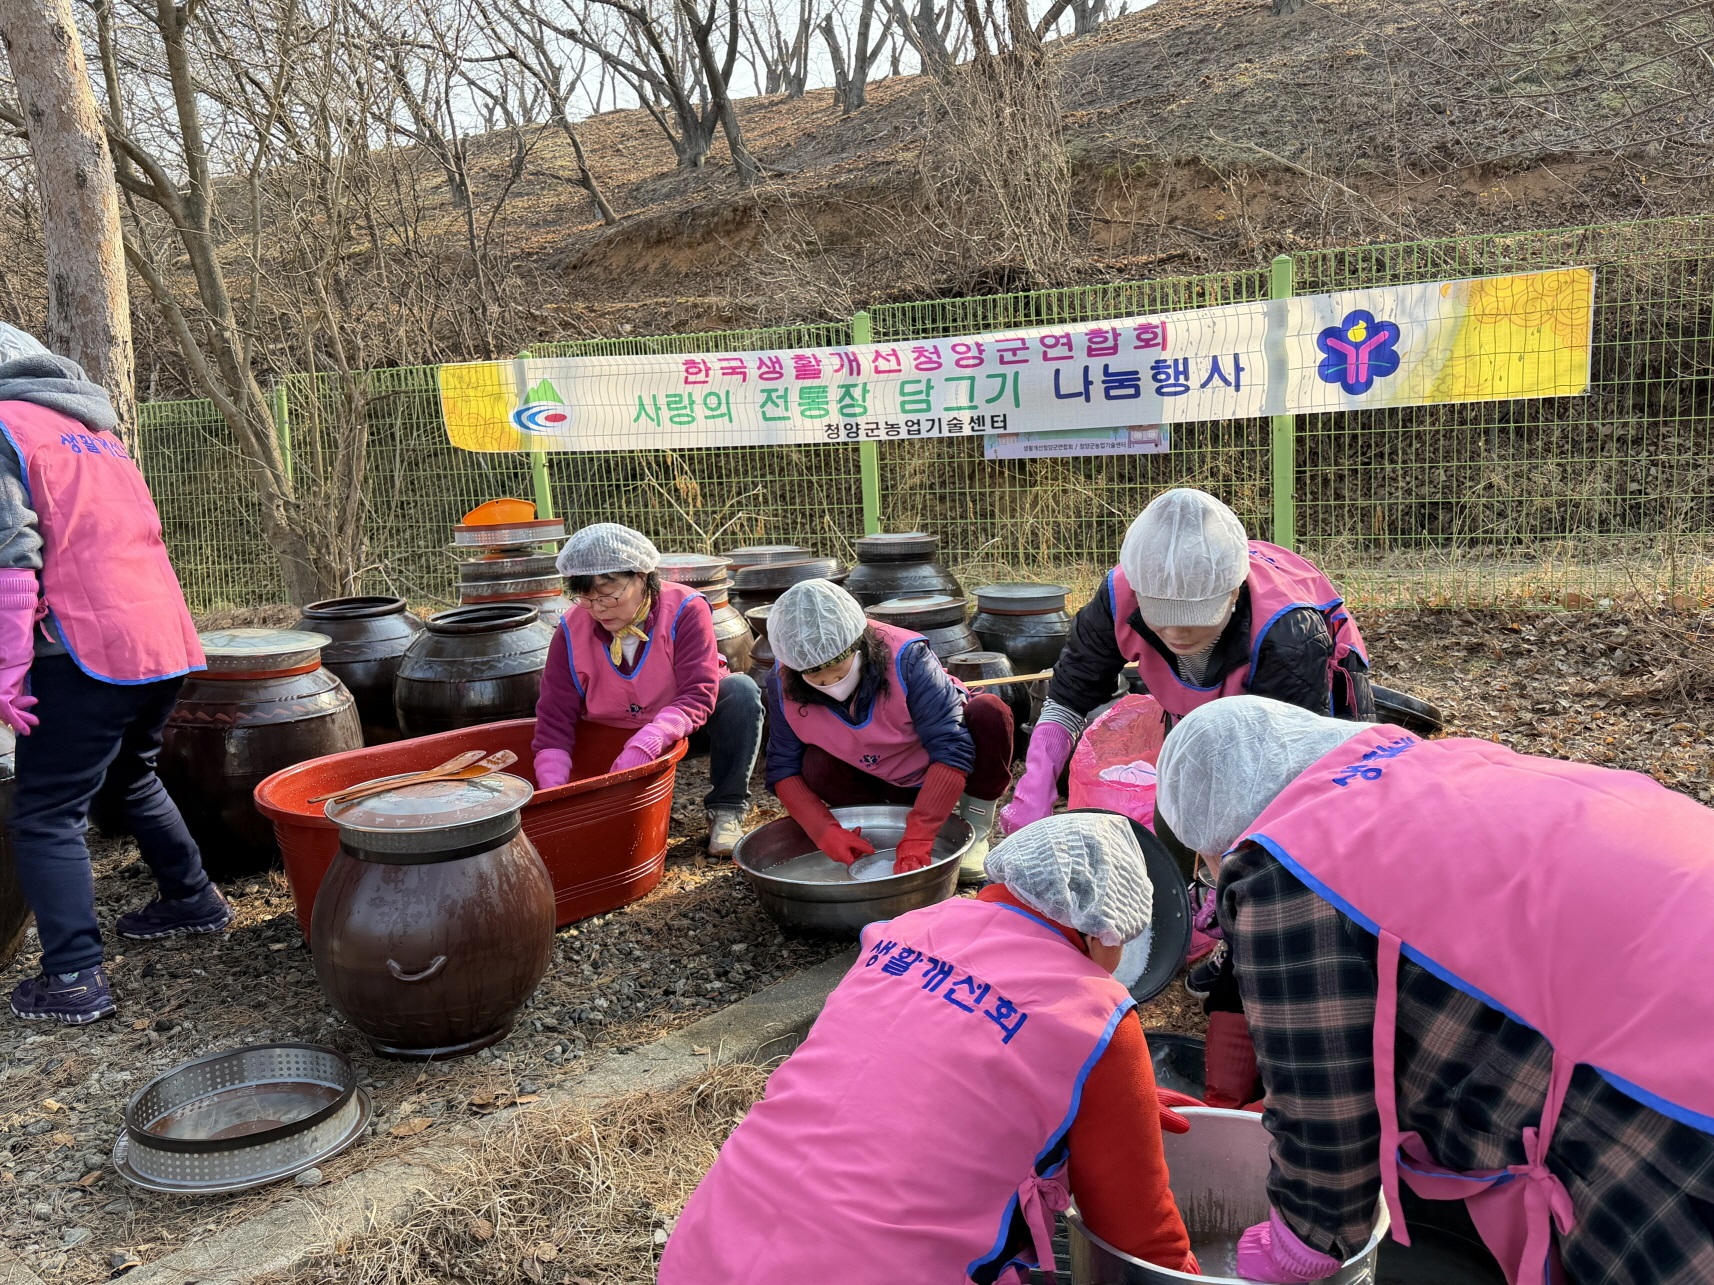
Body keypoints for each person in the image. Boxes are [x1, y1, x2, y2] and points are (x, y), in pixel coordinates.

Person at [1154, 695, 1714, 1285]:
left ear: (1219, 841)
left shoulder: (1284, 871)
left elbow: (1326, 1148)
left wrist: (1289, 1252)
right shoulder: (1428, 763)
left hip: (1664, 1077)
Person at [659, 812, 1200, 1282]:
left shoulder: (903, 932)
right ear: (1109, 931)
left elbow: (914, 1074)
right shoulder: (1095, 1010)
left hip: (706, 1254)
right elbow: (1142, 1236)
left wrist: (1107, 1106)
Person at [0, 323, 231, 1025]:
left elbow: (12, 559)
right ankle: (192, 898)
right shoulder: (92, 430)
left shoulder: (4, 429)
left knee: (44, 812)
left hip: (81, 646)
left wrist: (8, 672)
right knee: (131, 775)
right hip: (159, 641)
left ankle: (72, 977)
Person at [1001, 486, 1373, 838]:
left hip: (1303, 704)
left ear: (1232, 593)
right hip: (1210, 694)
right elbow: (1069, 697)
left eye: (1196, 617)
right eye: (1160, 615)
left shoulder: (1287, 634)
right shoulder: (1120, 595)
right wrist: (1035, 784)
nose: (1176, 634)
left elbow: (1284, 763)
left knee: (1305, 815)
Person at [532, 522, 763, 856]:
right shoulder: (570, 629)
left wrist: (649, 740)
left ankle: (726, 809)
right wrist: (555, 794)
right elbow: (554, 714)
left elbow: (699, 691)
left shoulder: (685, 608)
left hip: (679, 729)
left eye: (609, 594)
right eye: (585, 596)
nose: (598, 609)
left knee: (739, 692)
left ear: (641, 576)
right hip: (611, 737)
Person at [763, 578, 1011, 881]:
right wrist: (822, 830)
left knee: (989, 712)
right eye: (817, 678)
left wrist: (919, 837)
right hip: (872, 777)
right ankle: (877, 825)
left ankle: (974, 828)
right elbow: (782, 767)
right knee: (812, 763)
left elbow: (951, 745)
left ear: (858, 646)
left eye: (838, 671)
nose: (830, 684)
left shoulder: (907, 657)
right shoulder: (782, 682)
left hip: (934, 769)